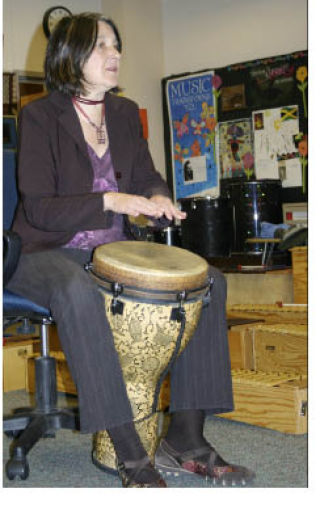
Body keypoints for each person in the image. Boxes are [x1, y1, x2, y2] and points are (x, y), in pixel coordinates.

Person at [7, 12, 254, 488]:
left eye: (116, 45)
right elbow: (39, 209)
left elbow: (146, 176)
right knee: (75, 289)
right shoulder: (39, 115)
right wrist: (112, 200)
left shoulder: (124, 114)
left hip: (111, 251)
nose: (115, 53)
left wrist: (159, 196)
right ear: (70, 54)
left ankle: (186, 439)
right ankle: (131, 454)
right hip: (40, 253)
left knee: (208, 281)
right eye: (102, 46)